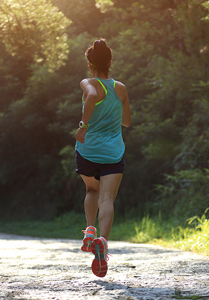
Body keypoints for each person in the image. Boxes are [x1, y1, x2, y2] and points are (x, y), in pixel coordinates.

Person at [74, 38, 131, 277]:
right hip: (112, 151)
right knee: (107, 199)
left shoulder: (88, 81)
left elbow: (91, 95)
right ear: (110, 62)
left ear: (90, 64)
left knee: (91, 191)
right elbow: (126, 122)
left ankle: (89, 230)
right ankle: (102, 241)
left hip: (88, 149)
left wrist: (84, 126)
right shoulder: (120, 87)